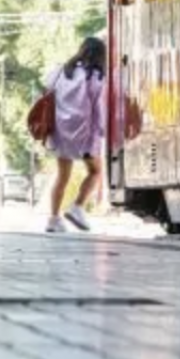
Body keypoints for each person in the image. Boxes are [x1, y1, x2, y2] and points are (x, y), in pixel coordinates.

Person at [45, 36, 107, 233]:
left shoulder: (61, 72)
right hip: (85, 136)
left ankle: (53, 219)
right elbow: (99, 108)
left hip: (60, 133)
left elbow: (47, 92)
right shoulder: (96, 77)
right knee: (95, 171)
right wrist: (103, 130)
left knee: (62, 176)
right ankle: (77, 207)